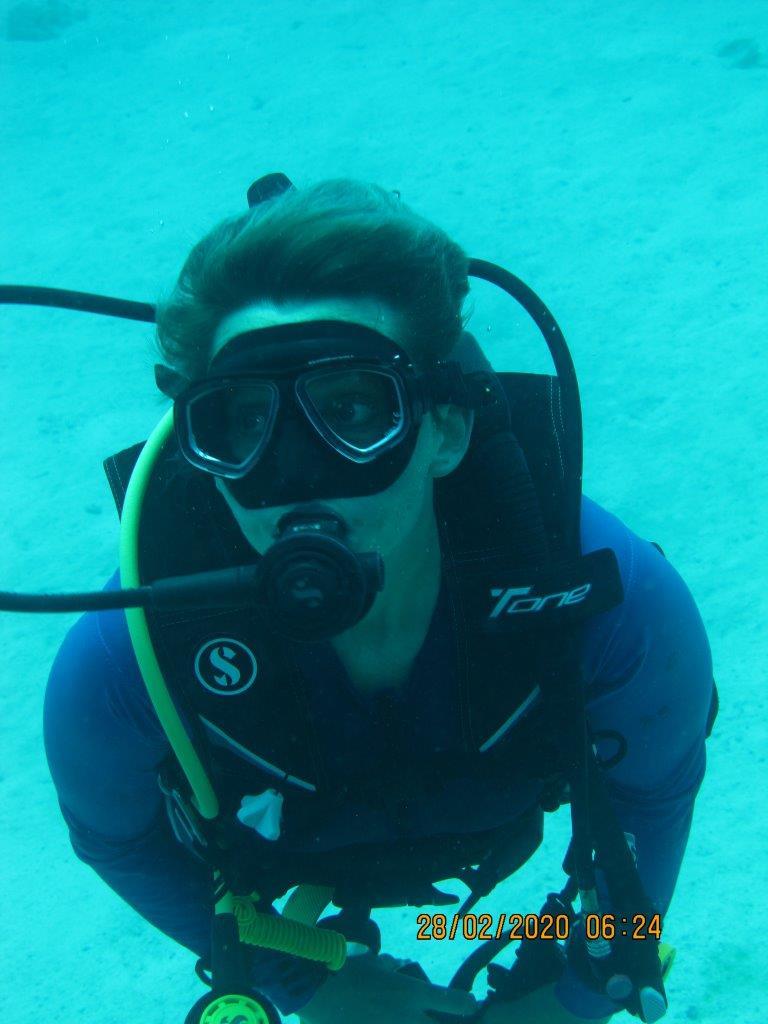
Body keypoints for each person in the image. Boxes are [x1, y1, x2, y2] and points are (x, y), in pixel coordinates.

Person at [43, 177, 715, 1024]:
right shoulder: (127, 656)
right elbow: (116, 838)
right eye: (241, 421)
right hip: (295, 885)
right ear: (198, 449)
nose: (294, 477)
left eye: (354, 408)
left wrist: (576, 1000)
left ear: (446, 430)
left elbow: (653, 797)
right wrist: (308, 985)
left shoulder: (605, 597)